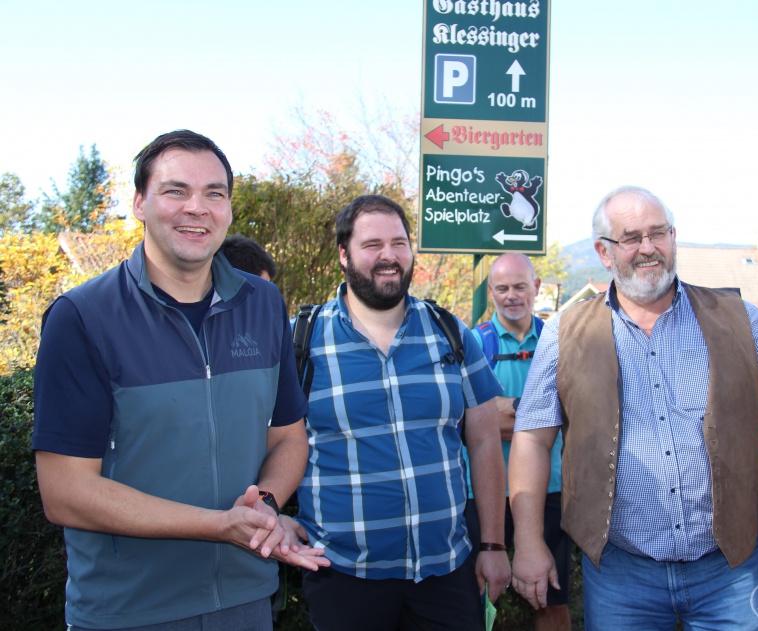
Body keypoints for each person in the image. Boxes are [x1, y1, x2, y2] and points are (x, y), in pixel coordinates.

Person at [32, 129, 327, 631]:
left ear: (230, 209)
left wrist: (265, 506)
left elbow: (288, 438)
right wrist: (219, 527)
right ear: (140, 203)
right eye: (176, 191)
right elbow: (64, 491)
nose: (198, 207)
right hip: (127, 611)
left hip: (246, 601)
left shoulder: (263, 305)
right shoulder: (81, 316)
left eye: (214, 193)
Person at [508, 185, 758, 630]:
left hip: (731, 569)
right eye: (631, 237)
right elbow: (530, 438)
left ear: (673, 238)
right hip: (622, 575)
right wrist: (527, 541)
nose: (647, 248)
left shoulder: (742, 318)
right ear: (604, 253)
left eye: (658, 233)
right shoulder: (565, 332)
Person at [285, 194, 511, 631]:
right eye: (372, 245)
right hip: (343, 577)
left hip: (446, 573)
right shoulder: (301, 341)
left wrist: (493, 545)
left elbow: (484, 442)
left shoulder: (452, 333)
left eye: (399, 243)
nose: (388, 256)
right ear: (343, 255)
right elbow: (270, 440)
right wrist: (269, 505)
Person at [463, 252, 570, 631]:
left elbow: (573, 413)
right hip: (483, 493)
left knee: (550, 598)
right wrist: (541, 413)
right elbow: (469, 422)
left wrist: (505, 410)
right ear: (490, 291)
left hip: (549, 489)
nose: (512, 296)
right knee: (477, 598)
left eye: (521, 286)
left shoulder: (558, 342)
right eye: (503, 288)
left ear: (537, 288)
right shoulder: (472, 343)